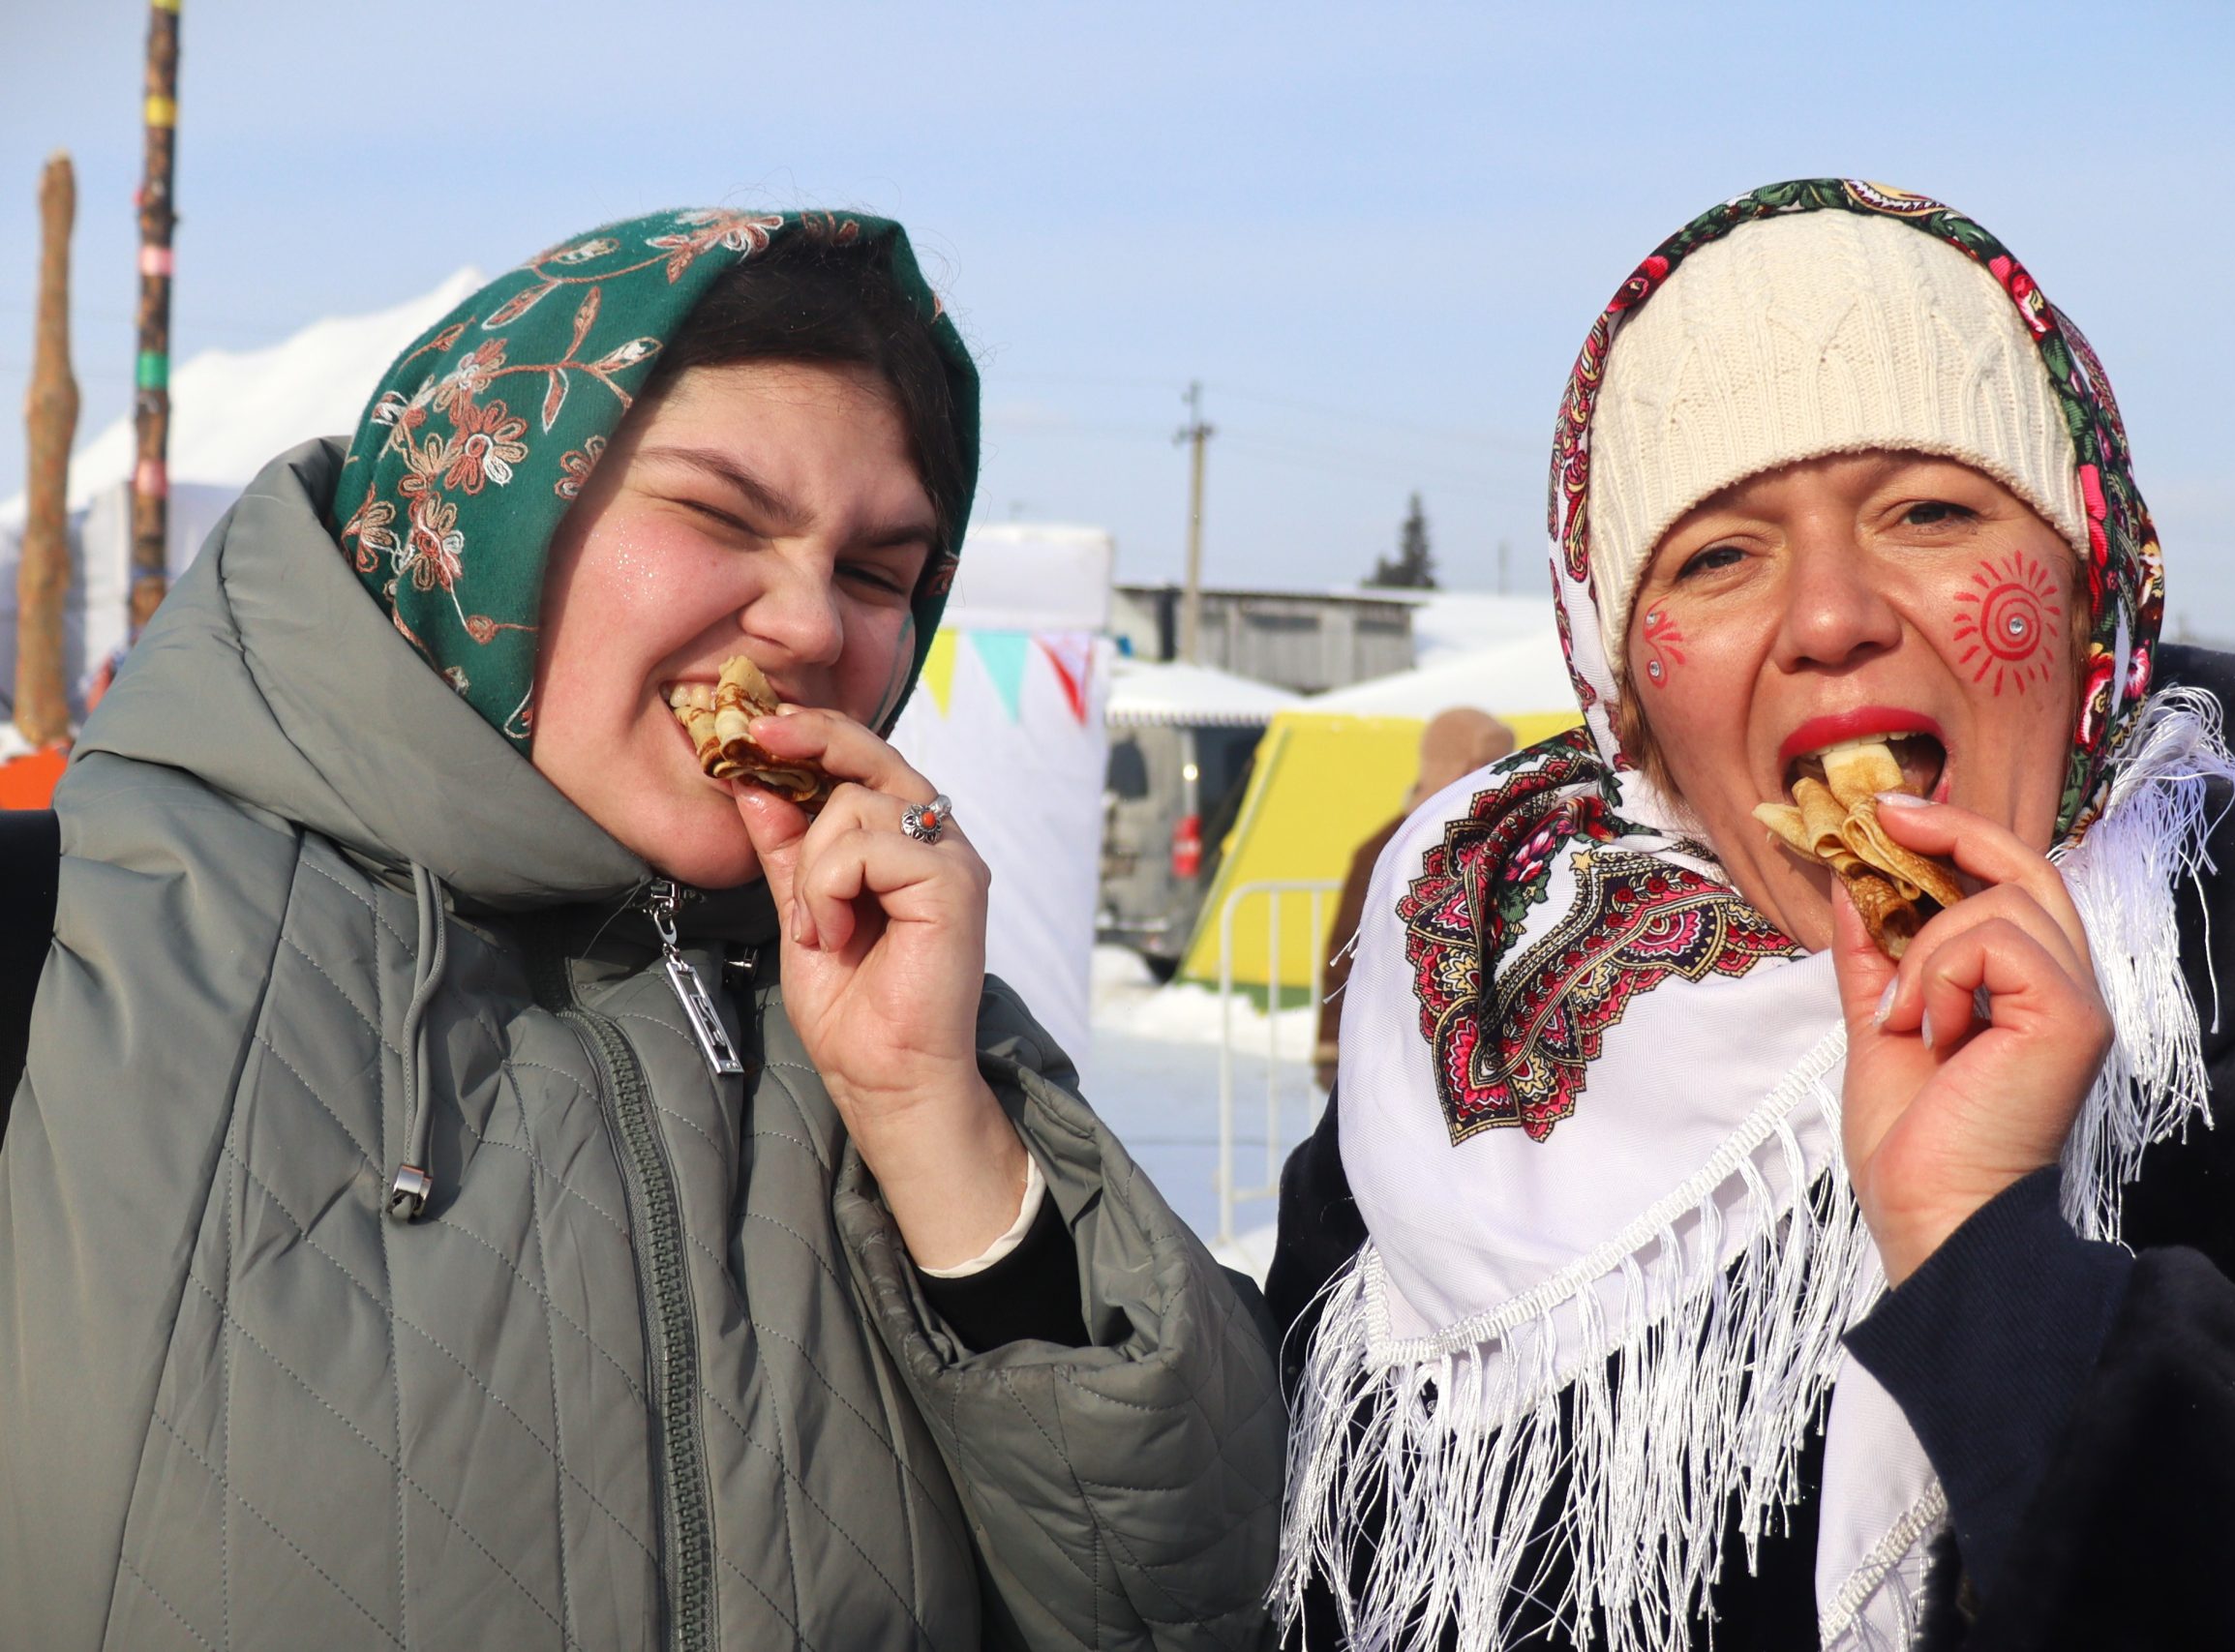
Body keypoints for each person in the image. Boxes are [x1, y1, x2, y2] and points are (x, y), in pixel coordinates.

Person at [0, 209, 1283, 1649]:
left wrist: (935, 1120)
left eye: (877, 573)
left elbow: (1189, 1601)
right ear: (493, 524)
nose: (809, 625)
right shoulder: (63, 943)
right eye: (722, 516)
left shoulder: (903, 1010)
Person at [1267, 179, 2235, 1650]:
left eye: (1930, 509)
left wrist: (1991, 1253)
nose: (1833, 613)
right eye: (1716, 553)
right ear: (1630, 697)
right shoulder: (1468, 1088)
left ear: (2094, 597)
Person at [1315, 707, 1516, 1089]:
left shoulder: (1516, 844)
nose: (1499, 778)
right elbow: (1347, 955)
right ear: (1452, 766)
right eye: (1487, 764)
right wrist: (1334, 1049)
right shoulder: (1388, 851)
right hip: (1402, 1053)